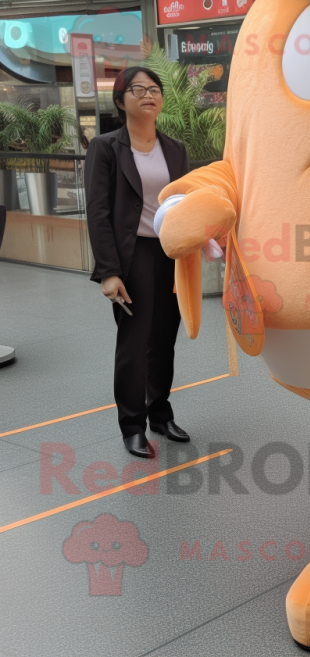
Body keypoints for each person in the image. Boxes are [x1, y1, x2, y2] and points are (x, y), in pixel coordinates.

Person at [85, 67, 191, 459]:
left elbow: (186, 201)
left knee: (164, 341)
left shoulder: (175, 149)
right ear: (120, 100)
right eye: (138, 89)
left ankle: (160, 415)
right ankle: (132, 426)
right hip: (133, 257)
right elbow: (97, 212)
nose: (149, 95)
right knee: (134, 344)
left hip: (171, 255)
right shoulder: (106, 147)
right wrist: (109, 271)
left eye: (154, 89)